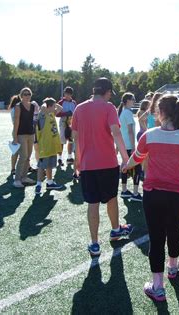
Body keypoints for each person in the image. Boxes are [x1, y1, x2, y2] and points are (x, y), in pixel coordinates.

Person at [123, 94, 179, 302]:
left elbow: (138, 157)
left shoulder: (149, 134)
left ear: (161, 113)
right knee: (174, 231)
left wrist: (126, 165)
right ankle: (173, 267)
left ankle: (158, 287)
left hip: (153, 194)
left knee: (157, 238)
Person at [71, 77, 133, 257]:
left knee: (93, 203)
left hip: (87, 164)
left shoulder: (79, 108)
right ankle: (115, 230)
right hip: (107, 163)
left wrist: (77, 161)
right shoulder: (109, 107)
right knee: (111, 198)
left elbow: (75, 137)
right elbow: (116, 133)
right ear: (107, 92)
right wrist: (125, 157)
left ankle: (95, 243)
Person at [35, 98, 65, 194]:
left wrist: (53, 104)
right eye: (53, 106)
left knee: (50, 165)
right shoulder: (43, 115)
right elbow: (42, 108)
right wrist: (46, 104)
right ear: (49, 106)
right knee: (41, 166)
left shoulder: (51, 114)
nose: (55, 107)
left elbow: (60, 108)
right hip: (45, 145)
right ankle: (38, 185)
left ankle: (50, 182)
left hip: (53, 145)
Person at [118, 92, 142, 202]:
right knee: (137, 169)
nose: (134, 101)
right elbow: (130, 132)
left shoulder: (124, 113)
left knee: (125, 167)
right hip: (129, 145)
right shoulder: (127, 113)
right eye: (133, 99)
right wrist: (133, 147)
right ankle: (135, 193)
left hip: (125, 145)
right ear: (127, 100)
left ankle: (124, 191)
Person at [12, 87, 38, 188]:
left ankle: (24, 177)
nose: (27, 96)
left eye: (29, 94)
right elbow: (16, 122)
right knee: (23, 156)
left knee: (28, 157)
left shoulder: (32, 106)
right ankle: (17, 179)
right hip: (21, 134)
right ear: (21, 96)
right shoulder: (18, 106)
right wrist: (15, 137)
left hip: (31, 133)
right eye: (25, 94)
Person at [57, 86, 77, 166]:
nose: (67, 95)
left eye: (69, 94)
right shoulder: (61, 102)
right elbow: (56, 114)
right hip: (63, 122)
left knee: (71, 140)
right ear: (64, 93)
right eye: (66, 93)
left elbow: (76, 112)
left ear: (71, 94)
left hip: (71, 122)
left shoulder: (74, 103)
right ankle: (59, 158)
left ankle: (69, 157)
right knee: (62, 140)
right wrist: (65, 113)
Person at [8, 94, 21, 176]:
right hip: (18, 131)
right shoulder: (16, 109)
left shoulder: (13, 109)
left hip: (15, 130)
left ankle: (13, 168)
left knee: (15, 151)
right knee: (17, 151)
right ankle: (13, 168)